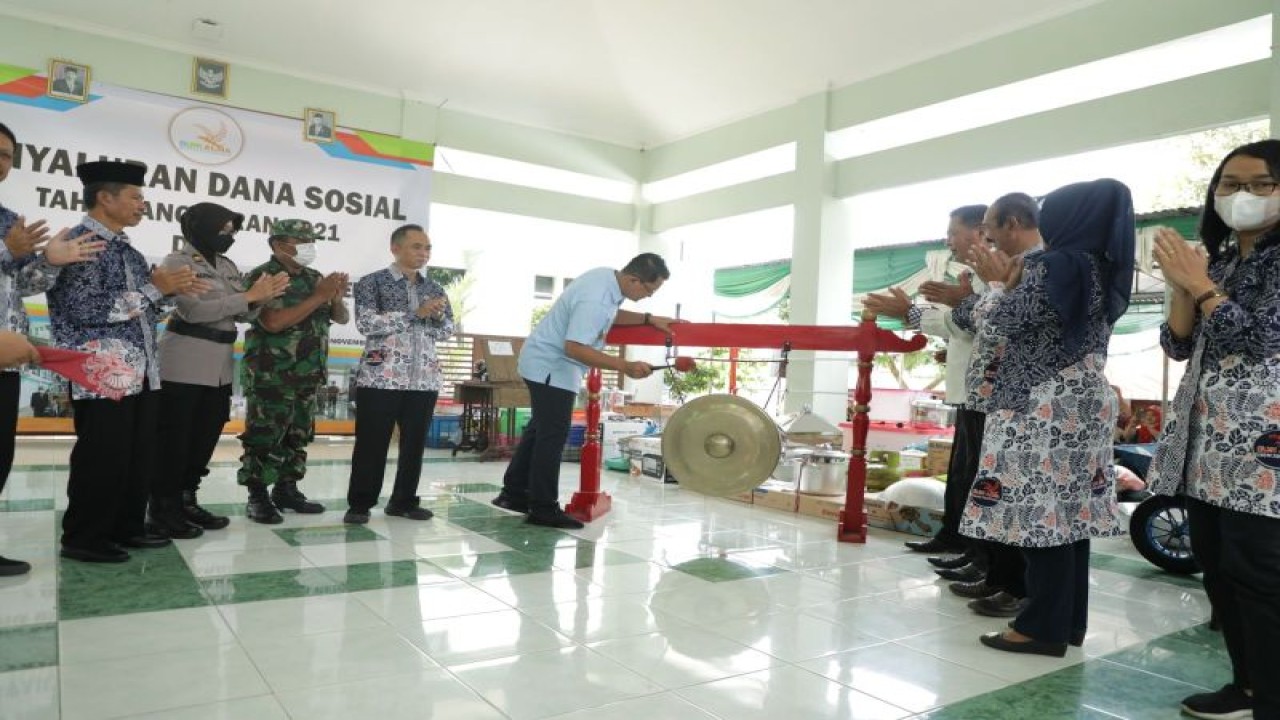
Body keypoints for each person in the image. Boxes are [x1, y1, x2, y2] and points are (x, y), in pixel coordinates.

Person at [956, 179, 1133, 657]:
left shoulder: (1052, 265)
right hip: (1083, 400)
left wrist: (995, 286)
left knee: (1040, 515)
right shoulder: (1101, 267)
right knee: (1069, 519)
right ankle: (1068, 621)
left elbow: (1000, 324)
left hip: (1040, 402)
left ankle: (1040, 628)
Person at [1147, 139, 1280, 720]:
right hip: (1206, 444)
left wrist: (1199, 286)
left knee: (1261, 575)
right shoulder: (1221, 261)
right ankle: (1247, 686)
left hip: (1263, 448)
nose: (1240, 196)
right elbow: (1179, 344)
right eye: (1229, 184)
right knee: (1218, 563)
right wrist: (1183, 284)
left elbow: (1259, 338)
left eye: (1259, 184)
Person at [47, 161, 204, 563]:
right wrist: (156, 290)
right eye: (135, 197)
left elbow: (142, 311)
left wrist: (171, 291)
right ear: (105, 197)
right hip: (102, 373)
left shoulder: (129, 252)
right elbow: (82, 309)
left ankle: (126, 527)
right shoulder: (81, 243)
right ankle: (85, 537)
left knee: (136, 456)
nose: (142, 205)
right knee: (102, 456)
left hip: (143, 372)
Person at [491, 253, 676, 529]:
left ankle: (513, 494)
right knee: (552, 435)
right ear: (633, 279)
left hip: (542, 361)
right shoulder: (597, 299)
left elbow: (610, 314)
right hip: (552, 367)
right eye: (649, 290)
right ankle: (543, 508)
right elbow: (575, 347)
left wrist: (648, 319)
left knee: (540, 429)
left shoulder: (606, 277)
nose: (648, 296)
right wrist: (624, 365)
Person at [150, 203, 289, 538]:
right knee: (175, 441)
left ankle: (187, 499)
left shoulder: (226, 265)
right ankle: (162, 509)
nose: (229, 236)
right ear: (202, 228)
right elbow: (195, 312)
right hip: (183, 362)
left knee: (203, 437)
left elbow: (241, 314)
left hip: (220, 365)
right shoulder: (177, 263)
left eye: (232, 230)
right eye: (223, 229)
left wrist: (261, 299)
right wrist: (249, 297)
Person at [864, 205, 988, 559]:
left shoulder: (995, 277)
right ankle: (956, 538)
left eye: (953, 233)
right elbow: (966, 328)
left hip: (985, 392)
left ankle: (977, 553)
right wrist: (953, 349)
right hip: (968, 388)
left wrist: (909, 313)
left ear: (980, 232)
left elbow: (965, 323)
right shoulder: (973, 277)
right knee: (961, 469)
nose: (949, 241)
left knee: (975, 472)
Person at [237, 219, 348, 524]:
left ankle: (287, 489)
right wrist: (318, 296)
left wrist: (334, 298)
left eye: (310, 241)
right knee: (264, 435)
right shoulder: (263, 276)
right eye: (299, 242)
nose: (307, 247)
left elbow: (338, 317)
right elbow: (272, 322)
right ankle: (257, 495)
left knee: (297, 434)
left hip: (309, 372)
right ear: (277, 245)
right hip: (272, 374)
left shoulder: (315, 277)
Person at [343, 224, 454, 524]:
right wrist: (414, 315)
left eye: (427, 248)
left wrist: (437, 316)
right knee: (371, 442)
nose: (424, 253)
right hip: (382, 378)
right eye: (417, 246)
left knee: (414, 444)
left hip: (424, 378)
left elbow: (447, 331)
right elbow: (367, 324)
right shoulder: (372, 283)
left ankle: (403, 501)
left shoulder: (435, 289)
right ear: (396, 248)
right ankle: (360, 504)